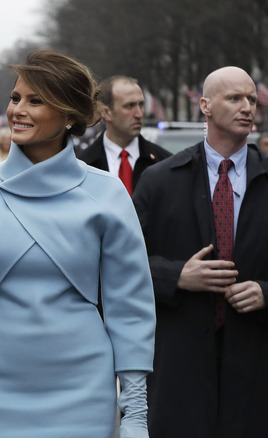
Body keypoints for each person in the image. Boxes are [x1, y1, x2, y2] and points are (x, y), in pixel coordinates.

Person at [0, 49, 155, 438]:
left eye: (35, 100)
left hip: (85, 387)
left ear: (68, 115)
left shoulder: (109, 193)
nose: (18, 110)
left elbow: (129, 306)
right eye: (15, 98)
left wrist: (135, 411)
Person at [133, 66, 268, 437]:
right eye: (235, 98)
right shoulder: (160, 181)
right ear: (205, 106)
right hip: (181, 365)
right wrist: (177, 276)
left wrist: (265, 291)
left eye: (252, 100)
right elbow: (120, 266)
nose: (247, 108)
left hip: (255, 367)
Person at [76, 75, 172, 195]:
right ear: (106, 112)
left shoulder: (165, 162)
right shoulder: (82, 166)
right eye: (129, 106)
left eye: (141, 105)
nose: (139, 114)